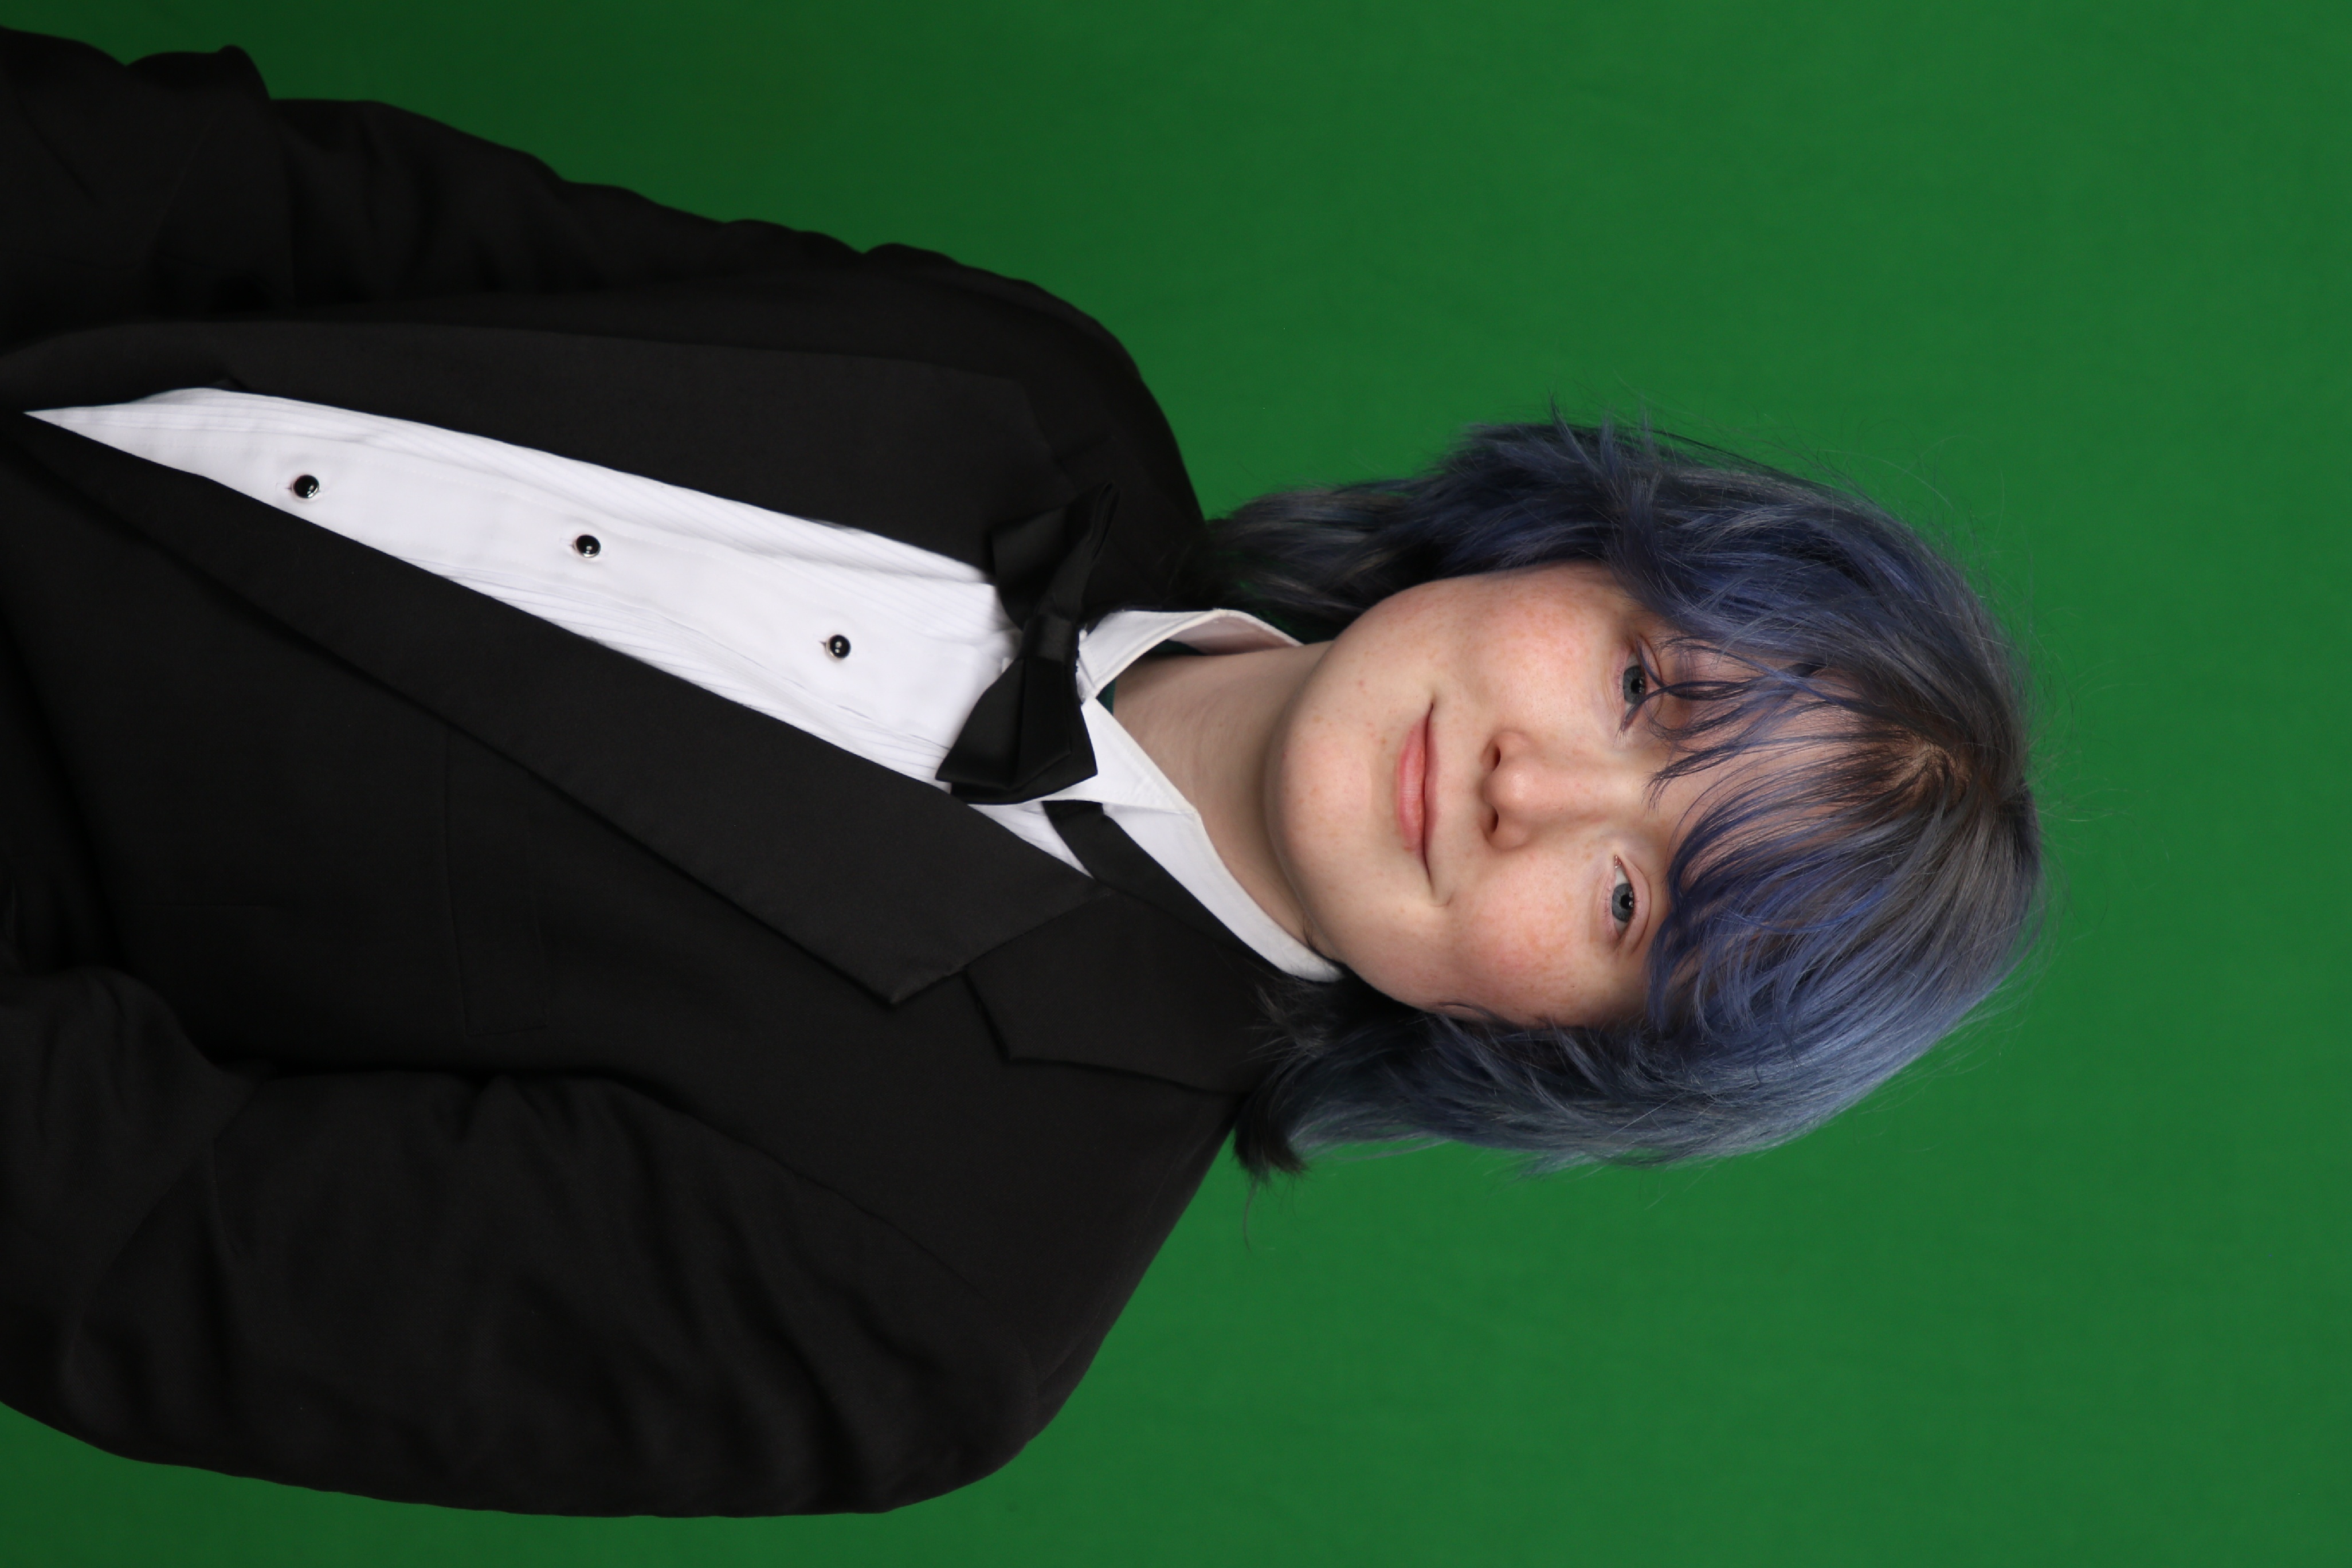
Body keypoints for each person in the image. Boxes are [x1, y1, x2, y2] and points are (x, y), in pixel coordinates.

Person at [0, 28, 2039, 1518]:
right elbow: (340, 217)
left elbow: (130, 1236)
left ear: (1559, 1045)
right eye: (1645, 690)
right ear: (1573, 550)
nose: (1536, 789)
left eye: (1626, 900)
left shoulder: (938, 1307)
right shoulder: (1037, 386)